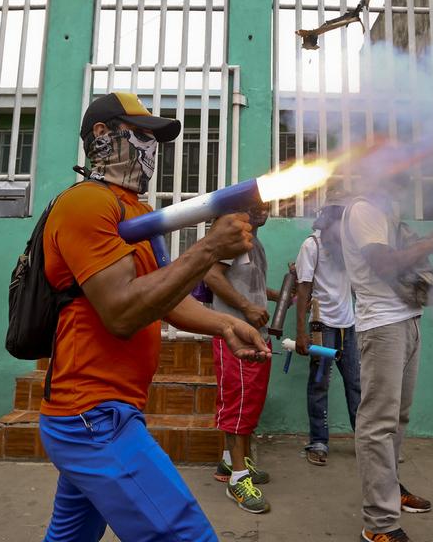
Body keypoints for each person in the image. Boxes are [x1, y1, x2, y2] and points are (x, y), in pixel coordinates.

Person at [39, 92, 270, 542]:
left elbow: (161, 298)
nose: (151, 147)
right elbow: (122, 313)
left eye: (154, 138)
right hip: (91, 416)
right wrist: (207, 250)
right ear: (102, 135)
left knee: (70, 538)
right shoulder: (85, 204)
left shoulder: (137, 212)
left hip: (109, 411)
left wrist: (226, 325)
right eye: (141, 134)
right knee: (185, 535)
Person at [340, 174, 433, 542]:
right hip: (383, 326)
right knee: (377, 424)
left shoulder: (385, 215)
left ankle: (391, 491)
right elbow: (385, 264)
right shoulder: (363, 210)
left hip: (406, 319)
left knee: (397, 419)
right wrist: (430, 245)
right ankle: (379, 524)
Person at [204, 202, 279, 514]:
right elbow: (211, 275)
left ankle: (229, 462)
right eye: (255, 205)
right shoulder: (233, 239)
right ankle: (238, 478)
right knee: (238, 403)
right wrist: (247, 308)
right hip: (234, 335)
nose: (263, 209)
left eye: (266, 204)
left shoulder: (254, 243)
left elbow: (253, 287)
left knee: (247, 403)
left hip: (253, 335)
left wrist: (285, 294)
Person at [295, 198, 360, 466]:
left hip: (349, 326)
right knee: (319, 383)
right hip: (322, 326)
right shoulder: (312, 246)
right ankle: (318, 441)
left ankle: (365, 440)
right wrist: (301, 331)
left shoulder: (349, 247)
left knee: (356, 383)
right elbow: (303, 289)